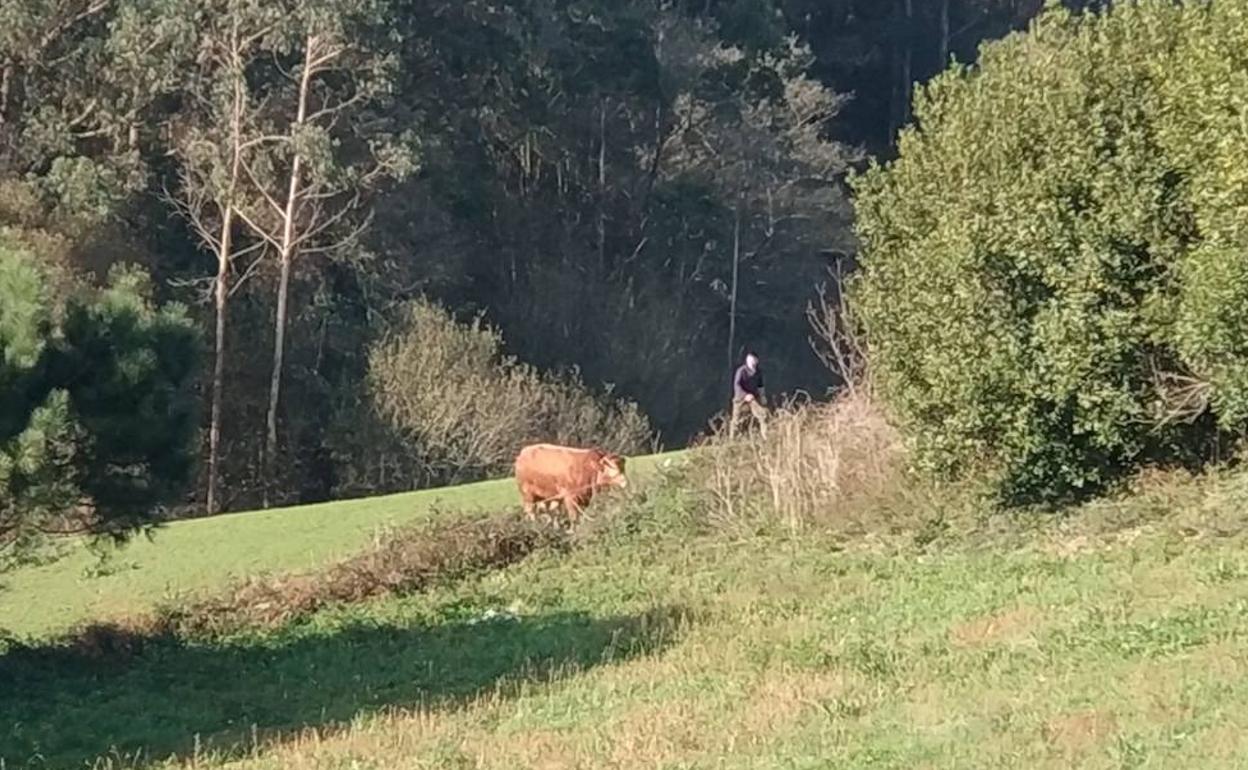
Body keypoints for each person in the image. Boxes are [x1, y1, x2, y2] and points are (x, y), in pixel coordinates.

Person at [729, 352, 768, 439]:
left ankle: (766, 437)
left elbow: (760, 386)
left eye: (754, 360)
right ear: (747, 360)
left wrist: (762, 396)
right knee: (736, 421)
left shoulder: (758, 372)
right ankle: (732, 440)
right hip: (740, 400)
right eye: (750, 359)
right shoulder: (741, 371)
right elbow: (737, 385)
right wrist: (745, 395)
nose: (752, 362)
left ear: (757, 361)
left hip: (754, 399)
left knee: (763, 415)